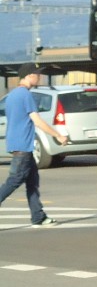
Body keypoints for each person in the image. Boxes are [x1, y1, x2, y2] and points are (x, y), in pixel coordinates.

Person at [0, 63, 67, 227]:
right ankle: (38, 216)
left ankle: (38, 216)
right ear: (29, 75)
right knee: (14, 181)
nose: (39, 76)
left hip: (20, 144)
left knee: (32, 182)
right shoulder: (25, 95)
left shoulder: (12, 95)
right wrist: (58, 135)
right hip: (23, 145)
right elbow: (37, 120)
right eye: (37, 73)